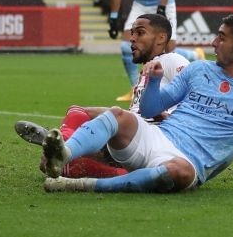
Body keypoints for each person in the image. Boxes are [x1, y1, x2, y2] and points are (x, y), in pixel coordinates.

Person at [42, 13, 233, 194]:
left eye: (221, 38)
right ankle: (64, 155)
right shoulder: (198, 70)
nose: (213, 43)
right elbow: (149, 111)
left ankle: (81, 184)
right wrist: (155, 80)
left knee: (176, 173)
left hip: (188, 162)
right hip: (158, 136)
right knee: (119, 115)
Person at [15, 13, 189, 178]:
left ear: (161, 38)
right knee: (76, 117)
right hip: (132, 132)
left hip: (152, 138)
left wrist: (171, 118)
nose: (132, 38)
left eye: (140, 33)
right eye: (132, 33)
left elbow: (195, 93)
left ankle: (63, 147)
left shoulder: (173, 60)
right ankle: (64, 149)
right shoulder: (146, 72)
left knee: (79, 134)